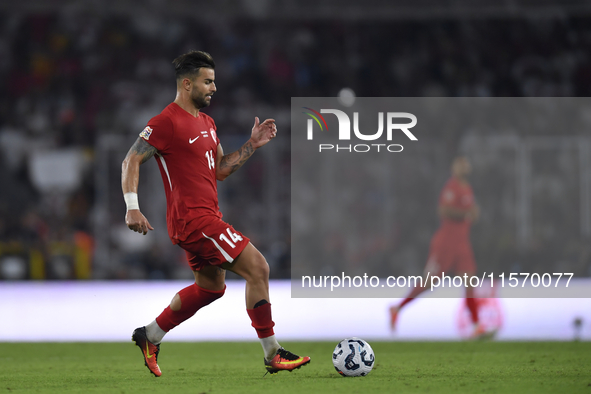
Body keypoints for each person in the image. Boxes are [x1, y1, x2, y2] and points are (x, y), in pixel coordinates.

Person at [121, 50, 310, 377]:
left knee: (211, 288)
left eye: (214, 81)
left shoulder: (207, 123)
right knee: (258, 268)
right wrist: (132, 207)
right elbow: (131, 160)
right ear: (186, 83)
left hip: (205, 216)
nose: (214, 88)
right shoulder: (165, 122)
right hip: (194, 220)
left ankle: (150, 335)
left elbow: (220, 169)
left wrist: (252, 145)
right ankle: (273, 353)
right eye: (207, 82)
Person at [389, 156, 486, 338]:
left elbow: (469, 213)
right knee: (429, 282)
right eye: (459, 165)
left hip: (462, 243)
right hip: (446, 243)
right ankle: (397, 308)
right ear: (454, 168)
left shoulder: (468, 188)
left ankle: (476, 325)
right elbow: (444, 210)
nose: (463, 168)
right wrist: (468, 213)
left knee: (470, 281)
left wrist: (473, 214)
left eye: (465, 165)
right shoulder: (452, 187)